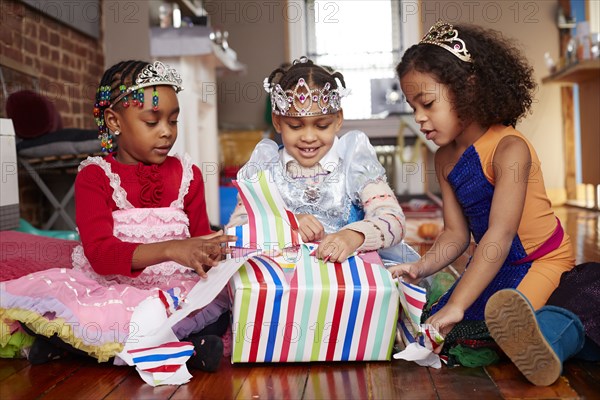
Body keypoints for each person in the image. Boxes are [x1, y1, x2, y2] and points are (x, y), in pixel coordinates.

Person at [0, 60, 237, 372]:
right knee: (78, 318)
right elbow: (99, 253)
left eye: (174, 121)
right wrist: (170, 248)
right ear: (114, 121)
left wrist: (215, 249)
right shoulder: (95, 177)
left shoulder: (188, 174)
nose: (167, 132)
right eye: (152, 122)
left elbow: (200, 236)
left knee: (218, 311)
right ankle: (184, 352)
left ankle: (78, 348)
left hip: (173, 288)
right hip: (111, 286)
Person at [388, 20, 580, 372]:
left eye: (428, 104)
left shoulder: (510, 148)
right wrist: (420, 267)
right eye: (413, 107)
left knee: (488, 328)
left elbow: (500, 234)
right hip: (495, 262)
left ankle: (552, 332)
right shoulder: (444, 158)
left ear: (468, 90)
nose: (419, 118)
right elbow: (456, 234)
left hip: (539, 261)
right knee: (436, 323)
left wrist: (459, 303)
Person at [227, 56, 411, 264]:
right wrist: (285, 224)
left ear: (338, 120)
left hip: (350, 282)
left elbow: (394, 220)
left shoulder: (354, 165)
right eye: (295, 126)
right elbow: (235, 232)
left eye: (321, 125)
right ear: (278, 122)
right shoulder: (264, 170)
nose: (308, 137)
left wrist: (353, 236)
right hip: (283, 285)